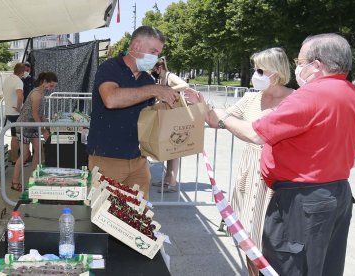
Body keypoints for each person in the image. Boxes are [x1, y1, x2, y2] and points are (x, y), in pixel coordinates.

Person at [186, 33, 355, 275]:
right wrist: (328, 166)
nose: (298, 67)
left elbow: (256, 134)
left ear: (316, 66)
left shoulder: (309, 96)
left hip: (300, 201)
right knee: (325, 265)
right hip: (337, 194)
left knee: (288, 266)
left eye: (301, 61)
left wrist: (224, 118)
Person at [186, 47, 293, 275]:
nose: (256, 74)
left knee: (272, 241)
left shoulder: (294, 99)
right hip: (250, 174)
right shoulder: (250, 98)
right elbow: (216, 120)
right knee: (247, 237)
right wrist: (201, 103)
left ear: (276, 72)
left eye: (260, 70)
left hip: (278, 178)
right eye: (255, 69)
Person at [87, 26, 179, 200]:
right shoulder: (110, 68)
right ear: (136, 46)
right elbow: (111, 99)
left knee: (138, 218)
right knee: (104, 219)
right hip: (106, 159)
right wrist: (154, 90)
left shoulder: (147, 79)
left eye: (158, 53)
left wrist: (178, 101)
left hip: (138, 160)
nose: (156, 58)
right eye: (153, 51)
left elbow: (149, 116)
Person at [11, 72, 57, 191]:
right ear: (44, 82)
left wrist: (46, 128)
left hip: (33, 125)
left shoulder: (42, 93)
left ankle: (34, 177)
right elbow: (35, 114)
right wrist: (42, 129)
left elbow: (40, 114)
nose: (51, 89)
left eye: (53, 87)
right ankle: (14, 182)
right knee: (25, 154)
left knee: (38, 150)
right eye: (51, 86)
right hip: (24, 125)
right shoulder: (36, 94)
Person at [151, 57, 189, 193]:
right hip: (169, 117)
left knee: (175, 151)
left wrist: (168, 90)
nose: (152, 73)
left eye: (153, 70)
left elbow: (184, 85)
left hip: (176, 117)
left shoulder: (170, 76)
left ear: (159, 68)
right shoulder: (162, 78)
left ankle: (172, 183)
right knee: (169, 150)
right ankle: (167, 179)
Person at [2, 63, 25, 165]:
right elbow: (20, 96)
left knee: (14, 136)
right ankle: (18, 160)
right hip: (16, 112)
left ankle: (15, 159)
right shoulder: (18, 81)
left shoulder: (7, 79)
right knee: (18, 137)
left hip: (8, 111)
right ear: (23, 72)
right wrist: (19, 108)